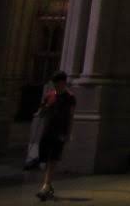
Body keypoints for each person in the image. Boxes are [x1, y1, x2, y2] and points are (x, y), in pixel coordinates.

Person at [35, 71, 75, 201]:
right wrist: (46, 107)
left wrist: (68, 133)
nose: (56, 87)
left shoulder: (69, 97)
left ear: (63, 83)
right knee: (46, 158)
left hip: (60, 131)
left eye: (58, 84)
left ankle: (45, 186)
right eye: (54, 84)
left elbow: (70, 117)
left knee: (53, 157)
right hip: (48, 130)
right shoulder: (49, 95)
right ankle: (48, 184)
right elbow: (41, 113)